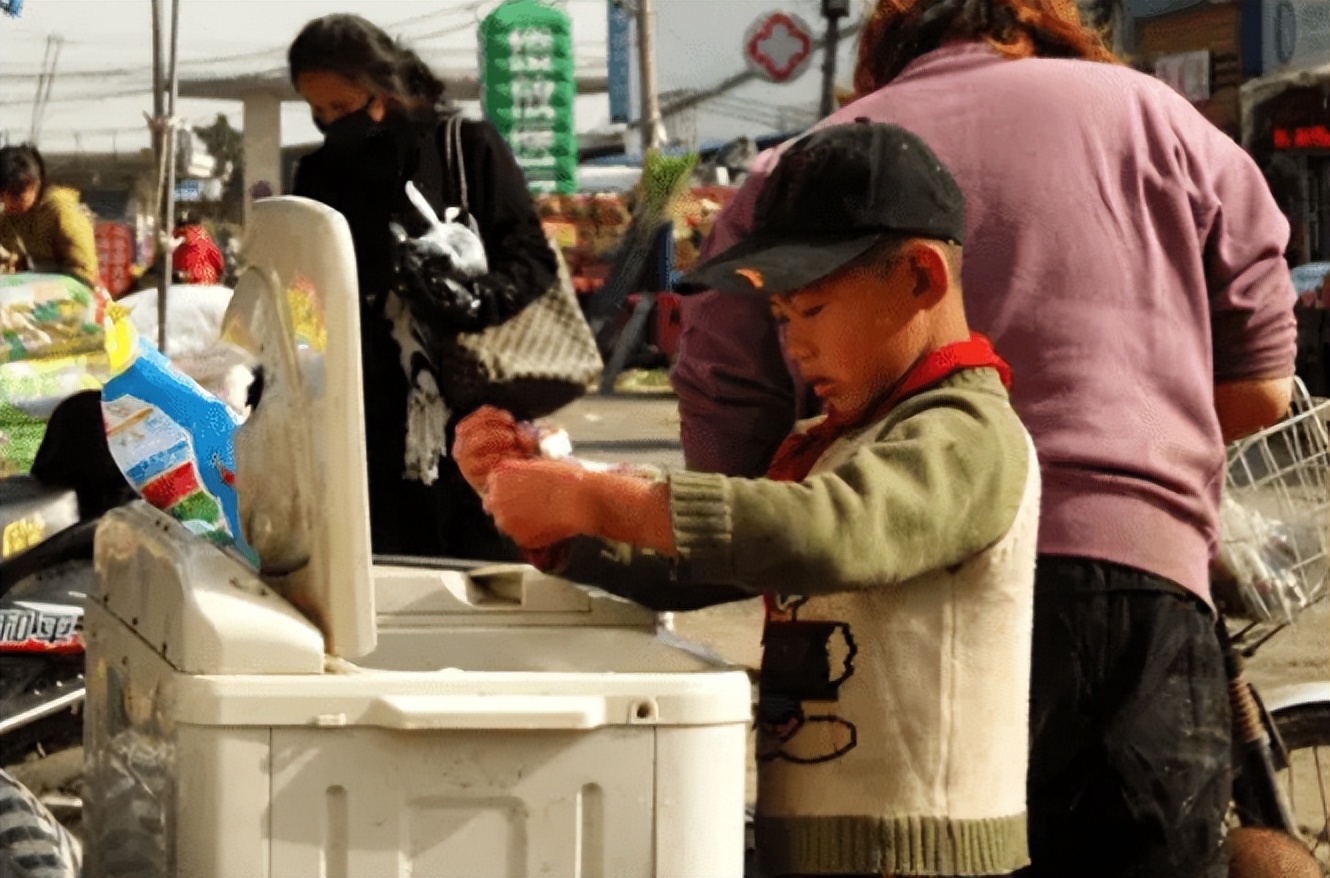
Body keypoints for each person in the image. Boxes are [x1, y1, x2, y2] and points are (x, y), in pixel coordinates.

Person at [669, 2, 1299, 876]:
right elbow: (1263, 388)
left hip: (889, 617)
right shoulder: (1155, 116)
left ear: (884, 57)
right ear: (1043, 29)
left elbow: (725, 447)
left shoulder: (801, 170)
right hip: (1131, 593)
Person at [455, 122, 1042, 878]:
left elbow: (829, 533)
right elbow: (710, 564)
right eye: (780, 320)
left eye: (814, 312)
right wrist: (557, 518)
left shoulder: (966, 435)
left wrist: (600, 501)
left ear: (921, 278)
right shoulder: (838, 439)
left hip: (927, 861)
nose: (793, 348)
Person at [287, 13, 559, 559]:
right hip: (368, 414)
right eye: (318, 112)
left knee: (486, 563)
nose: (330, 123)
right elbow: (306, 288)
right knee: (385, 569)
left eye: (342, 107)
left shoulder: (466, 148)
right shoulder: (321, 175)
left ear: (381, 88)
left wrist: (476, 299)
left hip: (478, 400)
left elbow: (531, 257)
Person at [0, 143, 100, 290]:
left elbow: (85, 271)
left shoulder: (61, 210)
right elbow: (9, 262)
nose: (8, 203)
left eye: (15, 195)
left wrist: (44, 290)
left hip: (73, 294)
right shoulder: (10, 216)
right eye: (2, 196)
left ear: (32, 184)